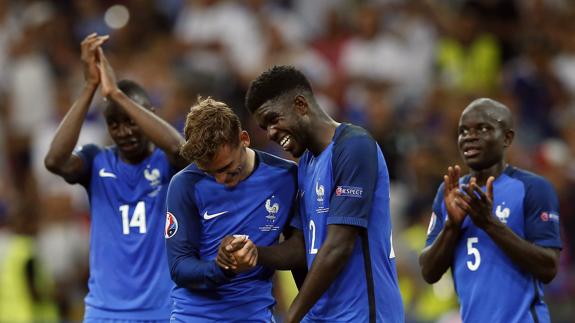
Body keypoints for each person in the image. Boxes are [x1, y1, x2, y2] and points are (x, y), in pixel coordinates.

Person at [224, 65, 404, 322]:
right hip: (321, 315)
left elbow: (338, 246)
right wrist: (254, 252)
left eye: (274, 119)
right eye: (265, 128)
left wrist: (292, 315)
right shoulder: (305, 164)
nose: (272, 133)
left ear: (300, 104)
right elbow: (301, 248)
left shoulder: (353, 146)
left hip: (362, 314)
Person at [44, 33, 186, 322]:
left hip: (162, 310)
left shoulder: (168, 163)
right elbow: (54, 160)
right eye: (115, 123)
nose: (124, 132)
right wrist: (90, 87)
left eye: (131, 121)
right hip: (104, 312)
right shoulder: (96, 160)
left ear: (148, 115)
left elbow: (179, 149)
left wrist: (116, 95)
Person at [419, 98, 562, 322]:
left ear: (507, 138)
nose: (470, 137)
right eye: (463, 131)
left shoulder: (533, 188)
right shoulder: (450, 192)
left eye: (483, 128)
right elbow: (429, 271)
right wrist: (451, 227)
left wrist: (489, 223)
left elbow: (549, 267)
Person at [164, 97, 299, 322]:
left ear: (244, 139)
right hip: (194, 317)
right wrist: (223, 267)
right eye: (210, 172)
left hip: (255, 315)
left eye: (227, 168)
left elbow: (299, 248)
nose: (220, 180)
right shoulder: (184, 185)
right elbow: (179, 267)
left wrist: (257, 253)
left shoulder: (285, 177)